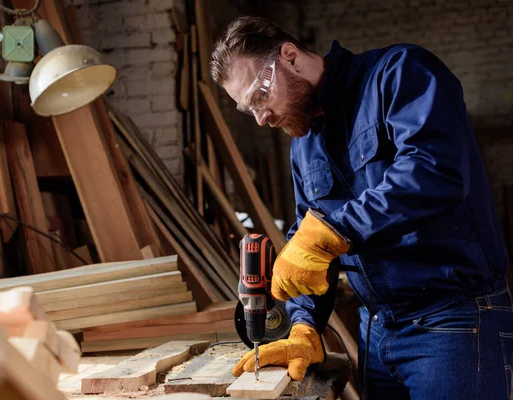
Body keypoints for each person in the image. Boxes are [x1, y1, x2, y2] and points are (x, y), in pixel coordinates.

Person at [210, 16, 513, 399]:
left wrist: (336, 230)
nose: (261, 118)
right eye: (247, 109)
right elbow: (310, 238)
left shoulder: (399, 74)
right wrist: (304, 324)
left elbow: (436, 170)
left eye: (259, 96)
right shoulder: (303, 142)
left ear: (289, 57)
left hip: (451, 320)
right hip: (377, 331)